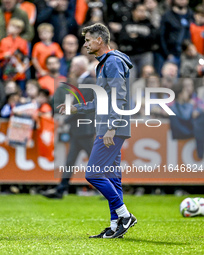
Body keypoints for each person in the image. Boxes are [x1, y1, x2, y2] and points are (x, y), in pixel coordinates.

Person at [57, 23, 136, 238]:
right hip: (110, 126)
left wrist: (111, 127)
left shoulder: (112, 63)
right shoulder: (106, 63)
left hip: (112, 127)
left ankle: (125, 216)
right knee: (112, 178)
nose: (85, 44)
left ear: (99, 40)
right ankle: (114, 226)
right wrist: (76, 107)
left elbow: (119, 97)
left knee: (93, 173)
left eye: (88, 40)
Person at [42, 55, 95, 199]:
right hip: (80, 129)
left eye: (73, 66)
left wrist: (65, 119)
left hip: (84, 129)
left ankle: (114, 188)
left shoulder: (88, 81)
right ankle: (61, 189)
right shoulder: (84, 81)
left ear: (79, 67)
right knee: (71, 160)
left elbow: (80, 107)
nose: (71, 69)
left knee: (95, 160)